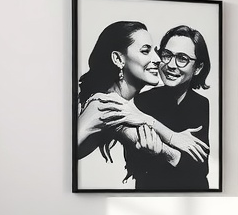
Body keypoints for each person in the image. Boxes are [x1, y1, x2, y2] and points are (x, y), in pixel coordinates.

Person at [77, 21, 208, 183]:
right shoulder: (105, 104)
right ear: (118, 59)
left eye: (155, 51)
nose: (158, 59)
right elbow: (59, 157)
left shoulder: (120, 108)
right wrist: (172, 138)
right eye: (146, 51)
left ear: (198, 67)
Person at [125, 25, 212, 191]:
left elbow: (199, 169)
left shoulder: (200, 104)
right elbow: (134, 165)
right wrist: (174, 147)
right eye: (166, 55)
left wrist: (163, 150)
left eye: (182, 58)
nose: (171, 65)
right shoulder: (142, 102)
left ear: (198, 68)